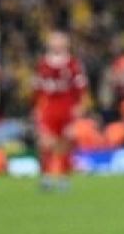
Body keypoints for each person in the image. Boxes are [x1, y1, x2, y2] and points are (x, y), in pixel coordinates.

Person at [32, 30, 88, 191]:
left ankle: (64, 176)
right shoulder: (43, 63)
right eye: (54, 41)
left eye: (59, 41)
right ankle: (46, 176)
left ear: (66, 44)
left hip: (66, 106)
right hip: (48, 107)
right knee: (45, 142)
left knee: (65, 142)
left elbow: (80, 87)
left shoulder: (72, 64)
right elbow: (37, 89)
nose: (56, 44)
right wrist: (37, 107)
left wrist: (79, 106)